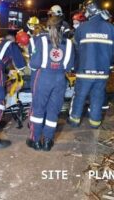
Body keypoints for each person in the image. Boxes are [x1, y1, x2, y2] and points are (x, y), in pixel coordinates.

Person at [68, 0, 114, 129]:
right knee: (97, 96)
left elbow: (74, 48)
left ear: (91, 10)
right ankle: (95, 122)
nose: (84, 12)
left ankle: (74, 121)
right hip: (102, 72)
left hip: (84, 71)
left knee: (80, 96)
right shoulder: (111, 28)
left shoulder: (82, 28)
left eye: (85, 10)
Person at [27, 16, 75, 151]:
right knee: (53, 111)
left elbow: (34, 63)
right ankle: (48, 141)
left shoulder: (41, 41)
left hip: (43, 78)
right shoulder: (69, 43)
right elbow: (70, 66)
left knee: (38, 109)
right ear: (62, 28)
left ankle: (36, 141)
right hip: (60, 79)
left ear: (48, 27)